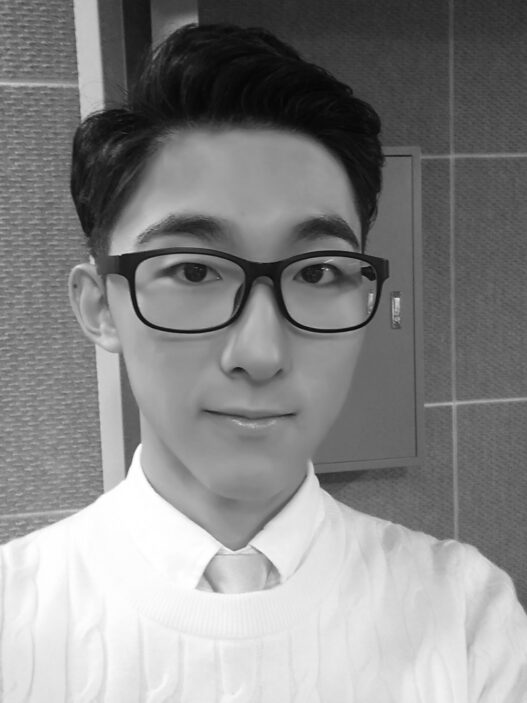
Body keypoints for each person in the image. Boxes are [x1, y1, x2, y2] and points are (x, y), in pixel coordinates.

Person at [1, 22, 526, 702]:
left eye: (317, 272)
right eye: (193, 271)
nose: (260, 352)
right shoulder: (16, 622)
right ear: (101, 306)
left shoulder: (464, 617)